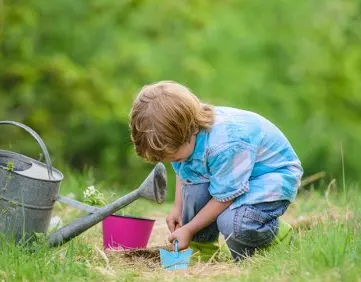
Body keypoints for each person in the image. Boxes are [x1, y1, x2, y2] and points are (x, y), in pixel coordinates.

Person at [129, 81, 303, 262]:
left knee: (234, 224)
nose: (174, 163)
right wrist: (178, 208)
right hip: (234, 175)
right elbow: (185, 172)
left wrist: (188, 229)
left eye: (175, 158)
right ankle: (201, 248)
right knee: (195, 189)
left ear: (192, 129)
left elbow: (225, 198)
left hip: (270, 178)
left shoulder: (224, 146)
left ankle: (276, 235)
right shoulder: (186, 136)